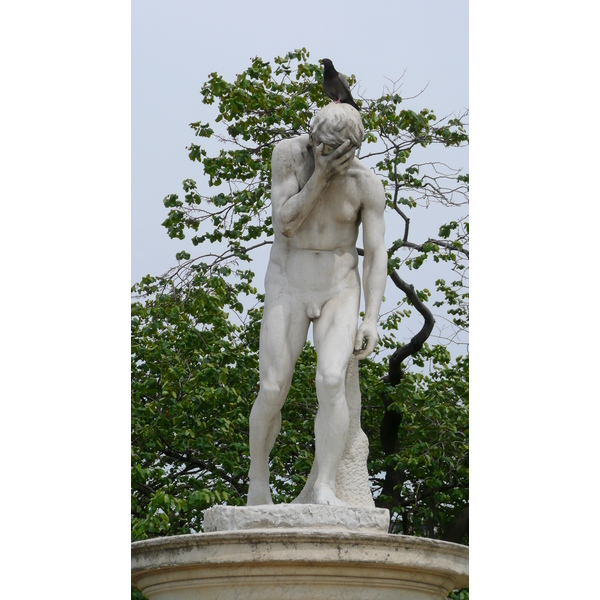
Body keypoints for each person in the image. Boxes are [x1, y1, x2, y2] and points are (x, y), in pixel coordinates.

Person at [247, 102, 387, 506]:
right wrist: (321, 177)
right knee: (272, 388)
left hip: (339, 287)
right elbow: (286, 221)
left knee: (330, 380)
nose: (338, 160)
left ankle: (326, 483)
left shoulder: (365, 183)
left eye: (346, 153)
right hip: (288, 281)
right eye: (328, 150)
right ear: (314, 140)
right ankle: (258, 479)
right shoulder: (290, 156)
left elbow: (376, 253)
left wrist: (372, 318)